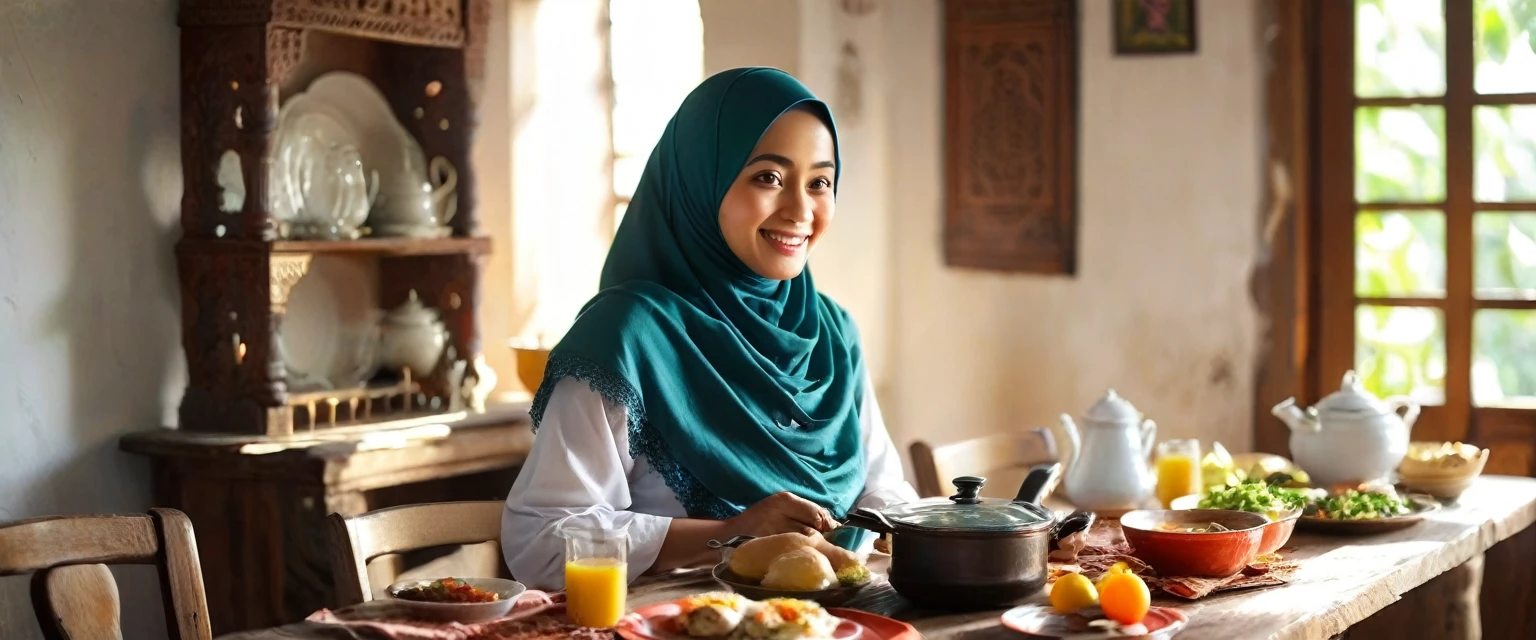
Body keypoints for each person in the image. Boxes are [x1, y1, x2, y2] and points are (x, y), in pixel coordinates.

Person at [501, 67, 917, 590]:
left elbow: (884, 492)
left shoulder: (831, 334)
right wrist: (730, 532)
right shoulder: (628, 335)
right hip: (672, 622)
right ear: (701, 179)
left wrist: (956, 536)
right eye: (768, 177)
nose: (799, 209)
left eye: (819, 182)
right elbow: (541, 538)